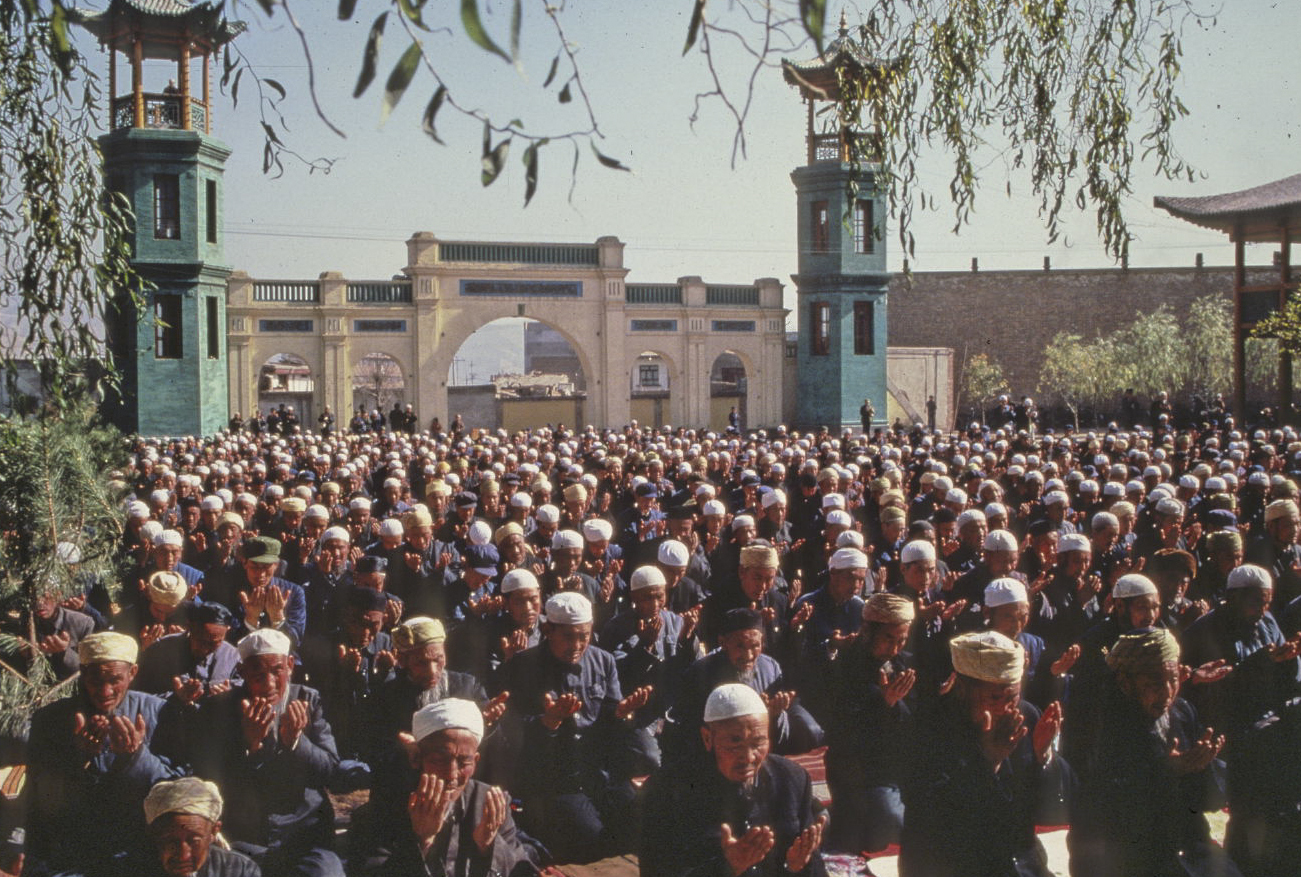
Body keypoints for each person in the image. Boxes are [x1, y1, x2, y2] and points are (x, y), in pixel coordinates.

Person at [492, 592, 650, 863]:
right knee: (590, 838)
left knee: (638, 822)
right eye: (569, 637)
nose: (577, 645)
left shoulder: (603, 661)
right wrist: (549, 721)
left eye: (584, 636)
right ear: (547, 630)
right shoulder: (523, 665)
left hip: (595, 769)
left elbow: (610, 718)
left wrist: (622, 713)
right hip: (551, 775)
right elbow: (510, 734)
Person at [1067, 627, 1238, 877]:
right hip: (1124, 852)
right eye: (1155, 683)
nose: (1168, 692)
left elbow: (1202, 802)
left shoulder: (1182, 712)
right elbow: (1106, 807)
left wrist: (1202, 766)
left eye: (1173, 680)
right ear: (1126, 683)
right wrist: (1166, 770)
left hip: (1185, 845)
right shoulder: (1101, 723)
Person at [899, 630, 1068, 877]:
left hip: (1017, 859)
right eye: (994, 697)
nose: (1005, 708)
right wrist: (989, 762)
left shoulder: (1025, 716)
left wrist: (1044, 757)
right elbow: (938, 819)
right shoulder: (931, 725)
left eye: (1013, 696)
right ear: (962, 690)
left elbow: (1051, 810)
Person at [188, 629, 345, 877]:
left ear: (290, 665)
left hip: (303, 832)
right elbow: (208, 778)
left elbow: (331, 772)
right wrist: (251, 745)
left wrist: (296, 742)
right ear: (242, 673)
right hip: (244, 834)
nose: (269, 684)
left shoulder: (307, 700)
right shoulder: (220, 708)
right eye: (257, 674)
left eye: (276, 671)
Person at [24, 632, 182, 874]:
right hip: (73, 847)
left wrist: (137, 756)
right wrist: (80, 758)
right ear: (83, 674)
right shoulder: (50, 719)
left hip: (139, 846)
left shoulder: (160, 713)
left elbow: (177, 788)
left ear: (133, 673)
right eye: (96, 680)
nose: (105, 691)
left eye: (115, 680)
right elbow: (40, 795)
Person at [641, 683, 827, 877]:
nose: (748, 757)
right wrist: (727, 867)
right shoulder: (666, 791)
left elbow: (814, 870)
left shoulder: (792, 779)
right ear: (707, 738)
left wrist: (796, 866)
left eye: (758, 742)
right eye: (735, 743)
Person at [378, 699, 538, 877]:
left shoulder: (491, 804)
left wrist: (488, 846)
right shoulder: (384, 811)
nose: (452, 774)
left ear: (475, 761)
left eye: (464, 762)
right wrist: (422, 841)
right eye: (439, 760)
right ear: (416, 758)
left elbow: (520, 869)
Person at [822, 593, 915, 855]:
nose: (895, 648)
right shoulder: (845, 665)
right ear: (868, 632)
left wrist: (896, 704)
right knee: (892, 823)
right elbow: (843, 733)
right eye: (888, 639)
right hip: (859, 772)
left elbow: (911, 723)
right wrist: (882, 704)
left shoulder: (902, 662)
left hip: (897, 766)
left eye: (901, 640)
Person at [122, 777, 261, 876]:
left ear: (213, 832)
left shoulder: (240, 870)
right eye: (171, 843)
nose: (183, 856)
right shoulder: (127, 869)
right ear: (153, 835)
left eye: (194, 842)